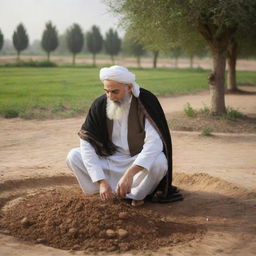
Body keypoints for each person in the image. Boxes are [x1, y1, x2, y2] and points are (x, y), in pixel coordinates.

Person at [66, 65, 182, 206]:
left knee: (159, 161)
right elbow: (86, 142)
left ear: (128, 87)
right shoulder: (100, 104)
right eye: (107, 91)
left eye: (115, 92)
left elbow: (155, 143)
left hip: (136, 161)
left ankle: (136, 194)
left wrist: (130, 174)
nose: (110, 97)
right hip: (109, 158)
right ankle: (103, 190)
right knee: (74, 156)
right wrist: (101, 180)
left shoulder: (145, 102)